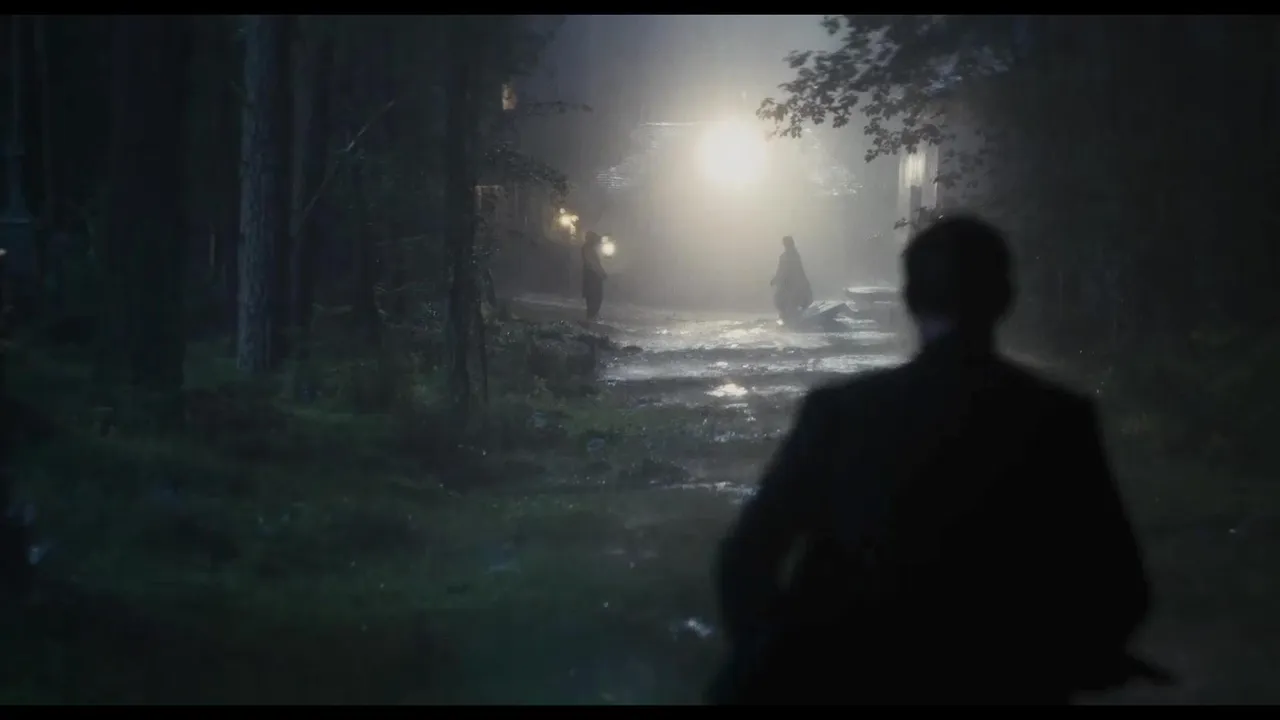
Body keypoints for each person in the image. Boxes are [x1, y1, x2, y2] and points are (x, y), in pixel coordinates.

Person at [708, 215, 1154, 705]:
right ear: (1006, 298)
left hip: (855, 678)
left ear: (909, 300)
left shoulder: (839, 412)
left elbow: (745, 557)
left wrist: (782, 653)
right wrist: (1056, 660)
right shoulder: (1060, 420)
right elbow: (1121, 587)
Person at [771, 235, 813, 324]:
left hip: (793, 284)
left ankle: (793, 317)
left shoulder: (793, 256)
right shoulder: (786, 256)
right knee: (781, 301)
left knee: (792, 301)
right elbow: (781, 270)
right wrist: (775, 279)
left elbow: (799, 270)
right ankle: (789, 318)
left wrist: (776, 279)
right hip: (787, 284)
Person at [581, 231, 607, 322]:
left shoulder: (589, 248)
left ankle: (592, 316)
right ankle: (591, 316)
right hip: (592, 275)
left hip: (592, 275)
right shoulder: (588, 248)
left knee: (594, 296)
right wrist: (601, 272)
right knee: (594, 296)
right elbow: (593, 263)